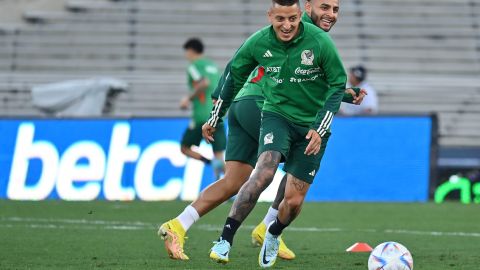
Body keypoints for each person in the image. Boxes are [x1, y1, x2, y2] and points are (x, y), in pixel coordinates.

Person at [158, 0, 365, 263]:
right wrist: (217, 107)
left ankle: (178, 225)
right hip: (262, 104)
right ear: (307, 8)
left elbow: (310, 83)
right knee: (293, 162)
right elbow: (292, 84)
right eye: (324, 8)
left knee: (234, 181)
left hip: (241, 104)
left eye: (335, 10)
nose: (330, 15)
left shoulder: (295, 35)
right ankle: (267, 226)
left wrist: (219, 106)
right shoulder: (300, 32)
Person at [203, 0, 348, 267]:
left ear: (299, 15)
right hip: (276, 115)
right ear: (270, 15)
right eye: (280, 19)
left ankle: (273, 233)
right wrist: (215, 116)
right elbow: (234, 75)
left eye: (292, 19)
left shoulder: (320, 42)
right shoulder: (258, 41)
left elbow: (338, 84)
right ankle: (225, 240)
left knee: (292, 202)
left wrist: (320, 128)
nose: (287, 25)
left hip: (313, 126)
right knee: (264, 171)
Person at [178, 38, 226, 179]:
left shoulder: (193, 66)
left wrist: (188, 99)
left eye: (186, 52)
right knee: (218, 154)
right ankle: (232, 191)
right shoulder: (213, 66)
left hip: (201, 117)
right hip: (218, 114)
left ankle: (209, 162)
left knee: (184, 148)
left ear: (191, 51)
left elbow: (203, 83)